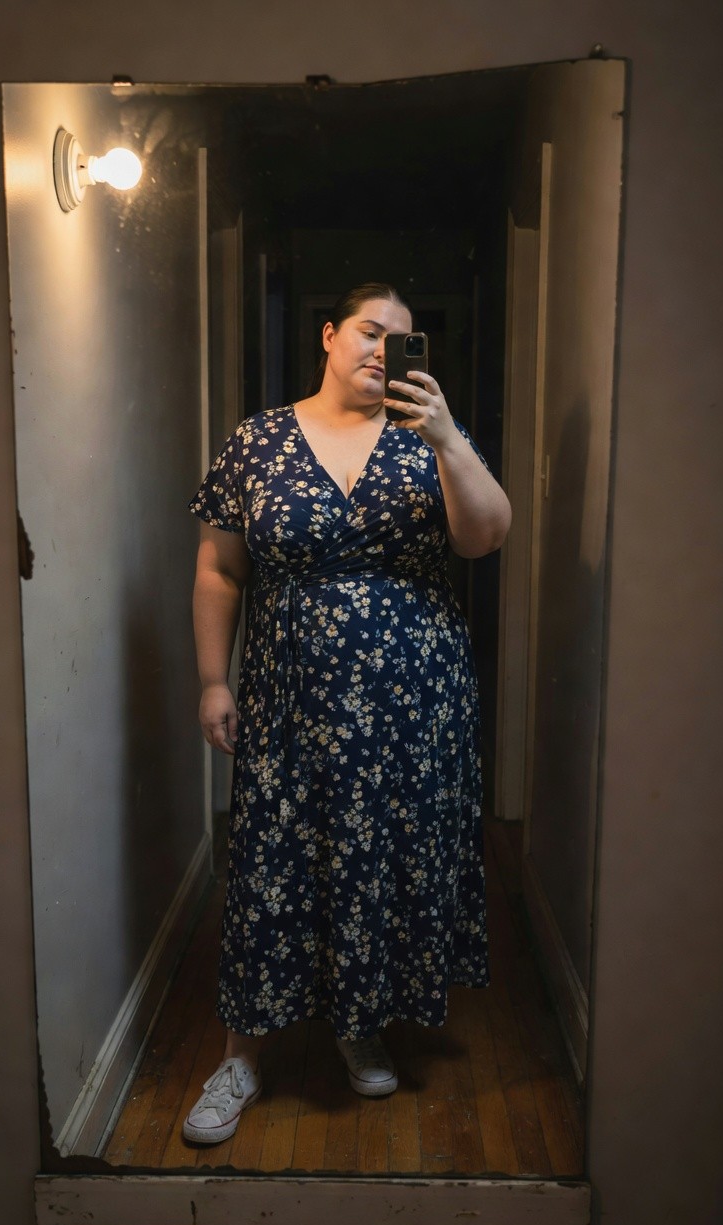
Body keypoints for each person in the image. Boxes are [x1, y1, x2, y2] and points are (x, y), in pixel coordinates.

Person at [183, 282, 512, 1144]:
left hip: (413, 696)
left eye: (402, 340)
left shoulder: (428, 437)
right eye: (369, 332)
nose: (382, 350)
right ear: (330, 335)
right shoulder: (257, 440)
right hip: (290, 690)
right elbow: (220, 570)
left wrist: (447, 439)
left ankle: (359, 1022)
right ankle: (240, 1056)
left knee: (378, 855)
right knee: (271, 856)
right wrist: (213, 681)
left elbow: (485, 537)